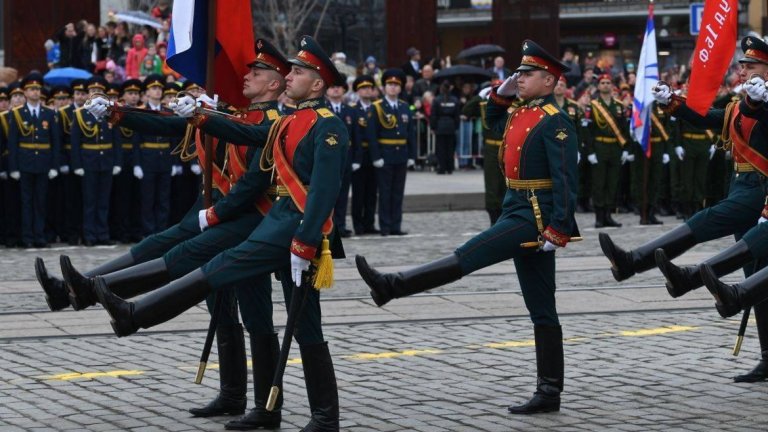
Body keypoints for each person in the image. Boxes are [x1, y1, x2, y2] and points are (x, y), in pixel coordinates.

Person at [90, 35, 345, 431]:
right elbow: (247, 134)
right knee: (271, 302)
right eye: (290, 70)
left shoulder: (328, 126)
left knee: (279, 304)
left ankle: (325, 418)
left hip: (297, 227)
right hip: (280, 221)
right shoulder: (289, 121)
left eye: (297, 72)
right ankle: (270, 411)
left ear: (316, 84)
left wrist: (306, 241)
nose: (290, 77)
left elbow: (325, 190)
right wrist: (201, 117)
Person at [40, 39, 292, 430]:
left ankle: (266, 407)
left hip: (247, 220)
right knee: (218, 301)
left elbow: (257, 179)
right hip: (221, 213)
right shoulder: (235, 114)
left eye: (256, 73)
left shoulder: (269, 121)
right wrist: (117, 112)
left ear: (274, 84)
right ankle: (233, 395)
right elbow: (168, 124)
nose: (246, 77)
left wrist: (217, 213)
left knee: (252, 310)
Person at [356, 39, 579, 414]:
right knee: (541, 306)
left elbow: (566, 179)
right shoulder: (520, 112)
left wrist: (559, 229)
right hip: (515, 205)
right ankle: (549, 391)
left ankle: (392, 285)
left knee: (469, 255)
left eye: (527, 74)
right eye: (519, 73)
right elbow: (490, 120)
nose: (520, 79)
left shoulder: (555, 121)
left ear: (549, 80)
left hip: (533, 216)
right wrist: (500, 95)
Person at [603, 35, 768, 383]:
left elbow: (758, 114)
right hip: (741, 185)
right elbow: (710, 118)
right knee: (756, 276)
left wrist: (756, 102)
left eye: (751, 66)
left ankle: (637, 262)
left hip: (759, 189)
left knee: (706, 221)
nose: (743, 71)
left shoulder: (760, 102)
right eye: (743, 65)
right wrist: (674, 103)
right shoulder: (740, 104)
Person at [7, 73, 61, 248]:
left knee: (41, 201)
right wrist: (13, 167)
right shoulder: (17, 114)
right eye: (31, 89)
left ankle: (39, 236)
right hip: (25, 163)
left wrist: (54, 166)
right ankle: (27, 237)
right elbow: (13, 143)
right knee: (26, 202)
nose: (35, 92)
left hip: (43, 163)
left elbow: (55, 142)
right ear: (25, 92)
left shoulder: (49, 113)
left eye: (37, 89)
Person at [71, 76, 121, 246]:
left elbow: (116, 141)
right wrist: (77, 164)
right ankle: (90, 235)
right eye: (93, 91)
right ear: (88, 94)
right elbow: (75, 143)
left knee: (104, 201)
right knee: (90, 201)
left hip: (106, 161)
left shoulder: (110, 113)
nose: (96, 94)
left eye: (99, 91)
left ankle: (103, 233)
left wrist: (117, 162)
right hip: (88, 162)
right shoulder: (80, 114)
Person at [367, 69, 415, 236]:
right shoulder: (377, 107)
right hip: (385, 155)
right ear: (384, 87)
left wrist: (412, 155)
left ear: (400, 88)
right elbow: (372, 134)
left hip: (401, 154)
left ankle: (396, 225)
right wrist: (376, 156)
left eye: (396, 85)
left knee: (398, 192)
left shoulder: (404, 107)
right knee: (385, 192)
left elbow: (410, 133)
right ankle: (385, 226)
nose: (393, 87)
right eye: (390, 84)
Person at [586, 74, 628, 228]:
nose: (605, 85)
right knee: (599, 183)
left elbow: (624, 129)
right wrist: (590, 151)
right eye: (602, 83)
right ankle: (599, 217)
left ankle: (608, 216)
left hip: (615, 148)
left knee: (612, 182)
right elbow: (588, 130)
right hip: (599, 146)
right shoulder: (592, 105)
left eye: (608, 82)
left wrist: (625, 149)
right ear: (598, 86)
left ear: (612, 86)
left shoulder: (619, 105)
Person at [462, 82, 506, 224]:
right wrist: (479, 96)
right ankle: (493, 218)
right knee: (492, 184)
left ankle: (506, 218)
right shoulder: (484, 105)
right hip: (491, 148)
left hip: (508, 148)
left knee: (506, 185)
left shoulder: (513, 104)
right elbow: (466, 111)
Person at [135, 74, 174, 236]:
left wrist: (174, 161)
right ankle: (148, 232)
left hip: (165, 158)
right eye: (153, 88)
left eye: (159, 88)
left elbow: (173, 138)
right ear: (147, 92)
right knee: (148, 199)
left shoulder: (168, 112)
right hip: (148, 159)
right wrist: (137, 163)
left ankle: (161, 231)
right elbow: (136, 139)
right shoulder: (141, 112)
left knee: (163, 198)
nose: (157, 91)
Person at [110, 79, 143, 243]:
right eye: (130, 93)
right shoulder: (118, 113)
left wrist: (138, 163)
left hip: (137, 158)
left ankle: (135, 231)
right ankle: (121, 232)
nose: (134, 96)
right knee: (122, 198)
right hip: (121, 157)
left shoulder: (141, 112)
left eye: (136, 93)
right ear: (123, 96)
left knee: (137, 198)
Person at [629, 102, 668, 225]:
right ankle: (643, 213)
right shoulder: (640, 104)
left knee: (655, 180)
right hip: (643, 145)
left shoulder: (662, 105)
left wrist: (666, 149)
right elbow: (632, 126)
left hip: (658, 145)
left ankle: (652, 212)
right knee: (642, 181)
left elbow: (667, 128)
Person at [349, 75, 379, 235]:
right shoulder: (353, 110)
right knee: (359, 193)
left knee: (372, 192)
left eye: (369, 88)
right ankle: (358, 225)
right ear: (357, 91)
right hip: (359, 156)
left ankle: (369, 223)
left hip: (374, 156)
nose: (367, 91)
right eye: (363, 88)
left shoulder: (377, 109)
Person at [327, 78, 355, 238]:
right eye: (332, 86)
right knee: (328, 195)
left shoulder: (349, 110)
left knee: (343, 194)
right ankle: (329, 227)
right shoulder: (323, 109)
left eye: (339, 87)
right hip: (328, 158)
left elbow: (356, 136)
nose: (336, 89)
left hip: (346, 157)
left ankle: (341, 225)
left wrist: (357, 158)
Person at [430, 80, 460, 174]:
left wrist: (433, 127)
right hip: (451, 126)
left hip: (440, 126)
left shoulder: (437, 100)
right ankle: (450, 168)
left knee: (441, 148)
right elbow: (457, 115)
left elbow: (433, 115)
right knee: (450, 148)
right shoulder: (455, 100)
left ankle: (442, 167)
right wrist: (456, 126)